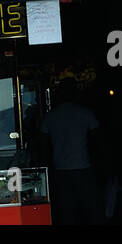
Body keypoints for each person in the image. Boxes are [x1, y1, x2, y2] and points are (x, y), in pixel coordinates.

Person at [40, 78, 101, 225]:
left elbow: (43, 143)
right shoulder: (86, 113)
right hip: (83, 167)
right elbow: (98, 140)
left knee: (66, 210)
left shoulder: (51, 116)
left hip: (60, 169)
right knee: (90, 208)